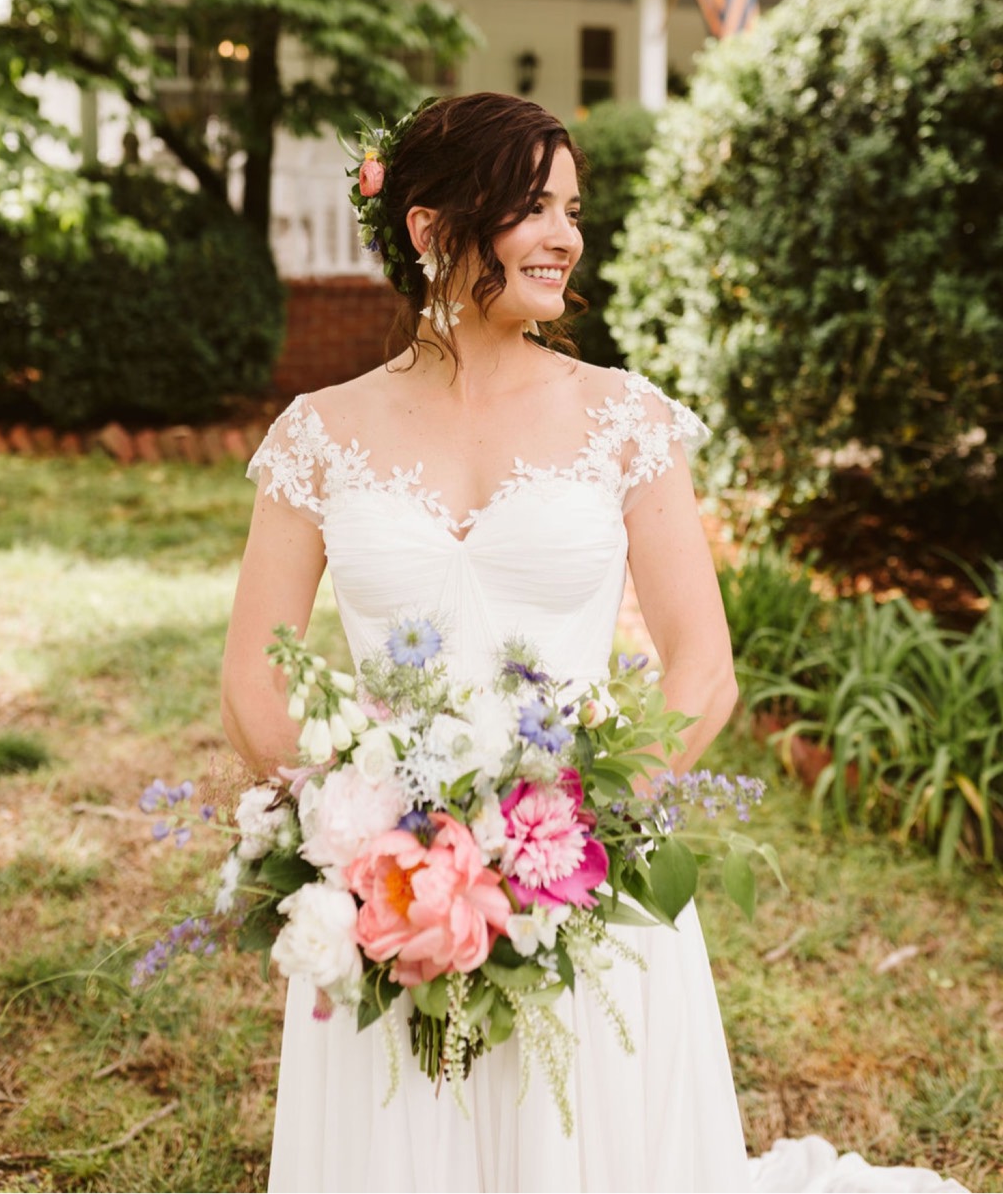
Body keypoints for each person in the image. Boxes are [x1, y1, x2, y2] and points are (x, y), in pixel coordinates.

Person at [221, 93, 966, 1194]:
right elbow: (250, 677)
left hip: (584, 871)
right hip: (390, 894)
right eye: (530, 205)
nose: (565, 234)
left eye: (572, 206)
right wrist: (373, 863)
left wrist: (565, 846)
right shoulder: (318, 434)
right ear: (429, 229)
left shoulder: (625, 418)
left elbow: (701, 668)